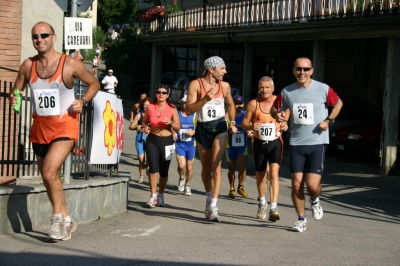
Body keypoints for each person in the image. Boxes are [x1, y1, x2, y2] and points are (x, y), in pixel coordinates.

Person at [8, 21, 100, 240]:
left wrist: (83, 100)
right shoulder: (28, 65)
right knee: (49, 177)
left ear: (54, 37)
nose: (39, 39)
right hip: (39, 128)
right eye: (35, 36)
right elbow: (17, 89)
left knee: (49, 171)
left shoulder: (68, 64)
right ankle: (67, 219)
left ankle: (58, 220)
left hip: (65, 126)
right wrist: (16, 99)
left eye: (44, 35)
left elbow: (94, 83)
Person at [273, 57, 343, 232]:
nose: (301, 72)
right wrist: (279, 117)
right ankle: (301, 219)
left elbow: (339, 103)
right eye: (298, 69)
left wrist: (329, 120)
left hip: (317, 143)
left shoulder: (323, 88)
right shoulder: (287, 92)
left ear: (311, 71)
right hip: (296, 142)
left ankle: (315, 200)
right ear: (294, 70)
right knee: (296, 185)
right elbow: (275, 109)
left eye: (305, 69)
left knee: (312, 186)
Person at [185, 56, 237, 222]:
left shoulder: (225, 86)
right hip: (203, 127)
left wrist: (232, 122)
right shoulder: (196, 84)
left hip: (220, 126)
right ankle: (208, 198)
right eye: (222, 68)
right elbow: (187, 110)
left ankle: (214, 205)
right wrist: (205, 99)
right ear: (211, 69)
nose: (225, 72)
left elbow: (231, 104)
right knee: (206, 168)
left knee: (216, 166)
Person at [241, 76, 288, 222]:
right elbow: (244, 122)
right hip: (259, 143)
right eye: (262, 87)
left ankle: (273, 207)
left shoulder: (281, 102)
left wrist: (285, 124)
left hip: (275, 142)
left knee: (274, 173)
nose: (264, 90)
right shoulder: (253, 104)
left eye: (267, 87)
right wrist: (250, 126)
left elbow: (286, 121)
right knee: (261, 176)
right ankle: (262, 202)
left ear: (273, 89)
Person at [141, 84, 180, 207]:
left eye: (164, 92)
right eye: (158, 92)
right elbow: (144, 121)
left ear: (168, 95)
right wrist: (145, 127)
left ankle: (161, 194)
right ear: (155, 93)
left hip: (167, 141)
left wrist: (171, 122)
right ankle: (153, 196)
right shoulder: (150, 107)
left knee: (164, 170)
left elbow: (178, 127)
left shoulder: (172, 108)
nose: (161, 94)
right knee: (153, 168)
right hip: (152, 139)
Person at [225, 95, 250, 199]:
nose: (239, 106)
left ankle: (240, 186)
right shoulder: (228, 116)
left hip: (242, 145)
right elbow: (222, 130)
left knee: (242, 167)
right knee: (231, 168)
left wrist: (250, 131)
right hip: (230, 145)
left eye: (241, 103)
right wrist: (229, 130)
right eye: (237, 104)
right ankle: (231, 188)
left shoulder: (246, 115)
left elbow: (250, 126)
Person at [172, 95, 197, 196]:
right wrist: (173, 132)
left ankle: (187, 185)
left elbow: (200, 128)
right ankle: (182, 178)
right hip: (180, 144)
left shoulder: (195, 115)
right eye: (184, 102)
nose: (186, 104)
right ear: (182, 103)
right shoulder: (177, 114)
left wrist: (194, 131)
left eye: (188, 102)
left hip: (191, 145)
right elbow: (171, 125)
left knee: (189, 167)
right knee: (181, 166)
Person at [129, 97, 152, 183]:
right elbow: (131, 126)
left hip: (150, 139)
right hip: (140, 138)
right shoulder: (139, 115)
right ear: (142, 105)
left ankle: (148, 166)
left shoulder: (153, 116)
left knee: (150, 158)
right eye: (145, 105)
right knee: (141, 158)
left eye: (148, 105)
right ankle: (141, 176)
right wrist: (137, 127)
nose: (146, 107)